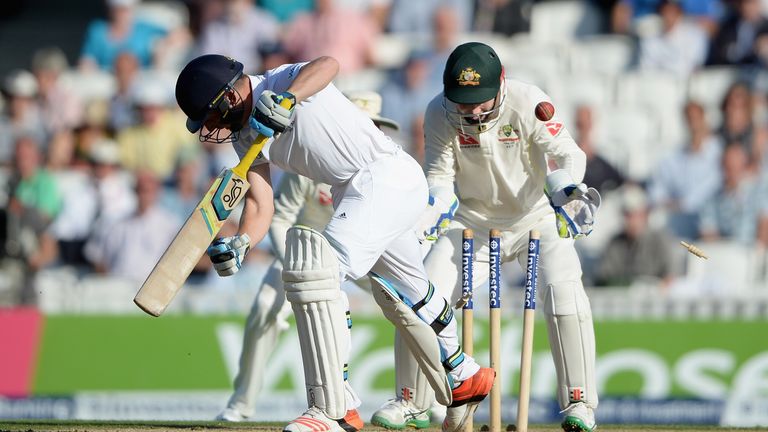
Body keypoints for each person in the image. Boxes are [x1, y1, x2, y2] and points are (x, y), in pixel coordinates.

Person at [173, 54, 494, 432]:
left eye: (209, 116)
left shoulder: (278, 82)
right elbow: (261, 203)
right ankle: (464, 373)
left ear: (227, 98)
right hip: (356, 190)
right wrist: (243, 241)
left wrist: (288, 98)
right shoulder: (245, 138)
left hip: (381, 176)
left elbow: (327, 65)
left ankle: (333, 408)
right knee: (410, 287)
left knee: (317, 273)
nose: (210, 127)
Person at [372, 42, 602, 432]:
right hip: (472, 223)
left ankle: (579, 401)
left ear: (501, 85)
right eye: (463, 103)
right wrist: (427, 220)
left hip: (536, 217)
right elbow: (440, 179)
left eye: (480, 102)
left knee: (565, 292)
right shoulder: (437, 112)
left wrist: (565, 185)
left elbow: (570, 153)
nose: (472, 111)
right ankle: (412, 400)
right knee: (420, 296)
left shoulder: (529, 102)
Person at [214, 91, 401, 422]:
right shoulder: (310, 164)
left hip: (363, 254)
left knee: (407, 305)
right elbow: (281, 216)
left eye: (372, 126)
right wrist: (297, 266)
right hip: (306, 255)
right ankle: (241, 404)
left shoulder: (386, 169)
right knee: (264, 310)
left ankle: (422, 399)